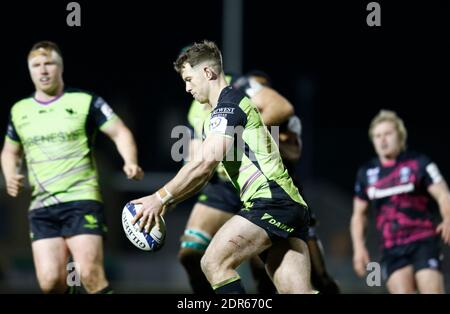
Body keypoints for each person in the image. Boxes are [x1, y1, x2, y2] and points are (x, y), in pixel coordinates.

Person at [131, 40, 314, 294]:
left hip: (271, 202)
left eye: (188, 79)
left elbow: (204, 165)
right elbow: (199, 173)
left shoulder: (229, 105)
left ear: (208, 72)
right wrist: (166, 205)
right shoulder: (219, 111)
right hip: (289, 204)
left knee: (213, 263)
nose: (186, 88)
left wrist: (158, 197)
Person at [1, 41, 144, 294]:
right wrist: (10, 174)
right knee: (50, 282)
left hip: (81, 200)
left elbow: (120, 132)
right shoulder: (20, 110)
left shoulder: (85, 101)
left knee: (89, 274)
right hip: (42, 206)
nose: (43, 70)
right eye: (36, 65)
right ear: (30, 70)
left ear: (60, 67)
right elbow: (9, 151)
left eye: (49, 64)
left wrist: (130, 161)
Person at [350, 110, 450, 293]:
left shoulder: (419, 163)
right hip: (391, 248)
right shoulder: (366, 173)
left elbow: (443, 193)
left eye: (388, 134)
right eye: (377, 136)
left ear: (400, 135)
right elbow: (359, 214)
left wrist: (448, 217)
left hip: (423, 241)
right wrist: (358, 247)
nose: (383, 140)